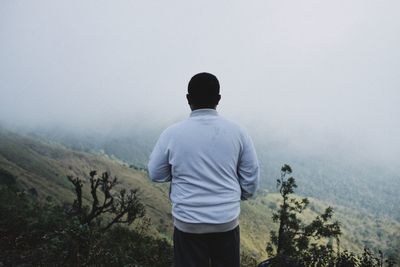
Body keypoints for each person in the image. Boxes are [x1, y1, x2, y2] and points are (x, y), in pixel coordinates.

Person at [148, 72, 259, 267]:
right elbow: (250, 177)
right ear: (218, 99)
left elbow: (156, 174)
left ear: (188, 99)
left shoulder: (172, 134)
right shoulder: (238, 132)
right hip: (226, 219)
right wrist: (237, 196)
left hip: (188, 223)